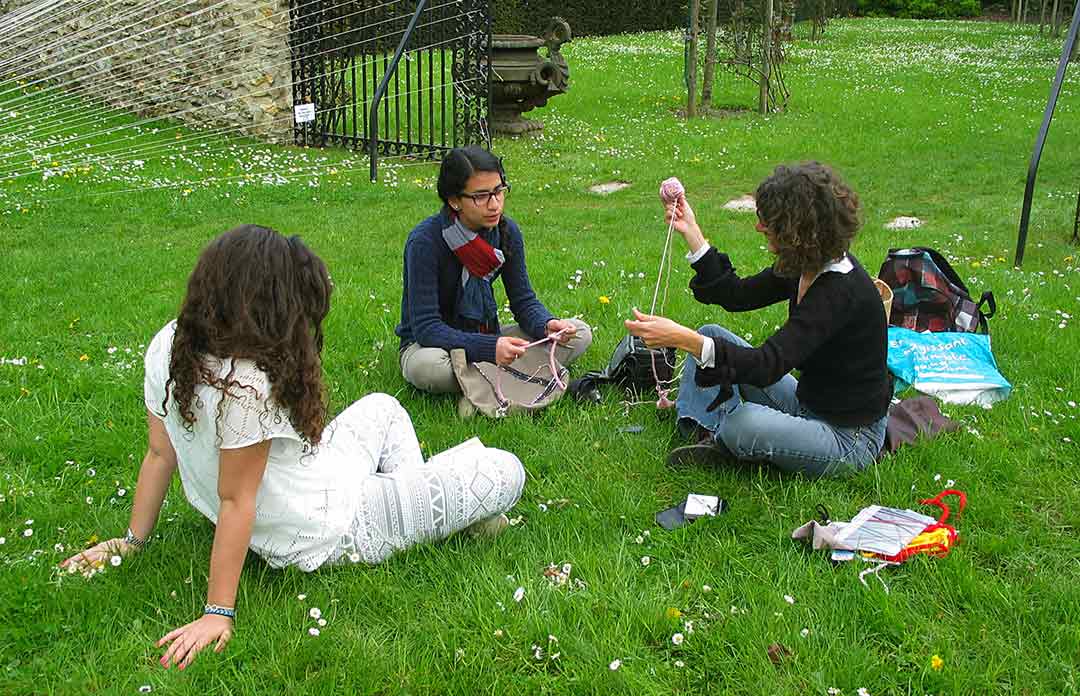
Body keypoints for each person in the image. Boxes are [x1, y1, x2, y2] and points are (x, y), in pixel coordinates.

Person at [61, 225, 525, 669]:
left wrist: (132, 541)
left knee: (383, 407)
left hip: (320, 477)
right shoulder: (246, 384)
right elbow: (235, 500)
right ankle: (433, 514)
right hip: (330, 526)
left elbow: (160, 453)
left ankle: (420, 504)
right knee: (505, 470)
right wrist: (216, 613)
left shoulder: (169, 342)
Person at [625, 162, 891, 477]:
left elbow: (767, 364)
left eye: (765, 221)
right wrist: (691, 231)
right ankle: (704, 433)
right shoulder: (806, 263)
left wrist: (683, 340)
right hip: (808, 404)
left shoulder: (840, 291)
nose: (759, 227)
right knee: (710, 334)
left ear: (795, 230)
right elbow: (737, 295)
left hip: (848, 438)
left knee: (743, 421)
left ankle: (727, 434)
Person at [396, 146, 591, 396]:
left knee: (579, 333)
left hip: (486, 334)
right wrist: (490, 348)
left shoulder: (507, 232)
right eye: (481, 196)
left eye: (499, 191)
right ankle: (511, 373)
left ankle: (480, 379)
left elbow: (523, 301)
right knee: (429, 370)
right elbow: (426, 327)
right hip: (432, 346)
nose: (494, 204)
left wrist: (547, 324)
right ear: (454, 200)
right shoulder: (425, 241)